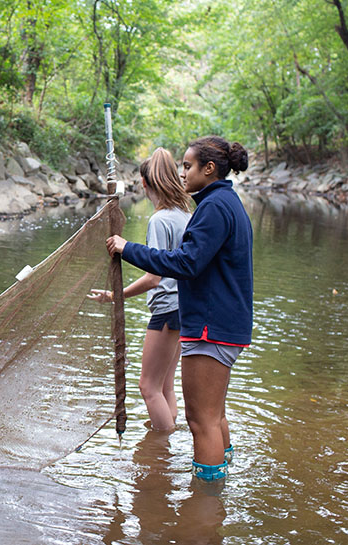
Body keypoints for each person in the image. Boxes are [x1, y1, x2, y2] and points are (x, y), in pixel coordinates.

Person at [105, 136, 253, 483]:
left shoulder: (215, 207)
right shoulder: (224, 202)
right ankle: (219, 486)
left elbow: (186, 263)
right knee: (214, 417)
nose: (181, 173)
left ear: (209, 169)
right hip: (222, 323)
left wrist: (128, 249)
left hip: (210, 325)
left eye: (187, 166)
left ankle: (205, 502)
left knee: (201, 421)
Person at [88, 148, 191, 431]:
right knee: (165, 386)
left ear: (144, 184)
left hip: (167, 312)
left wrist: (113, 296)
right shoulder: (184, 214)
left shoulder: (160, 220)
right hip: (184, 309)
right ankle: (165, 451)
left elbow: (154, 278)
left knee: (148, 387)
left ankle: (160, 451)